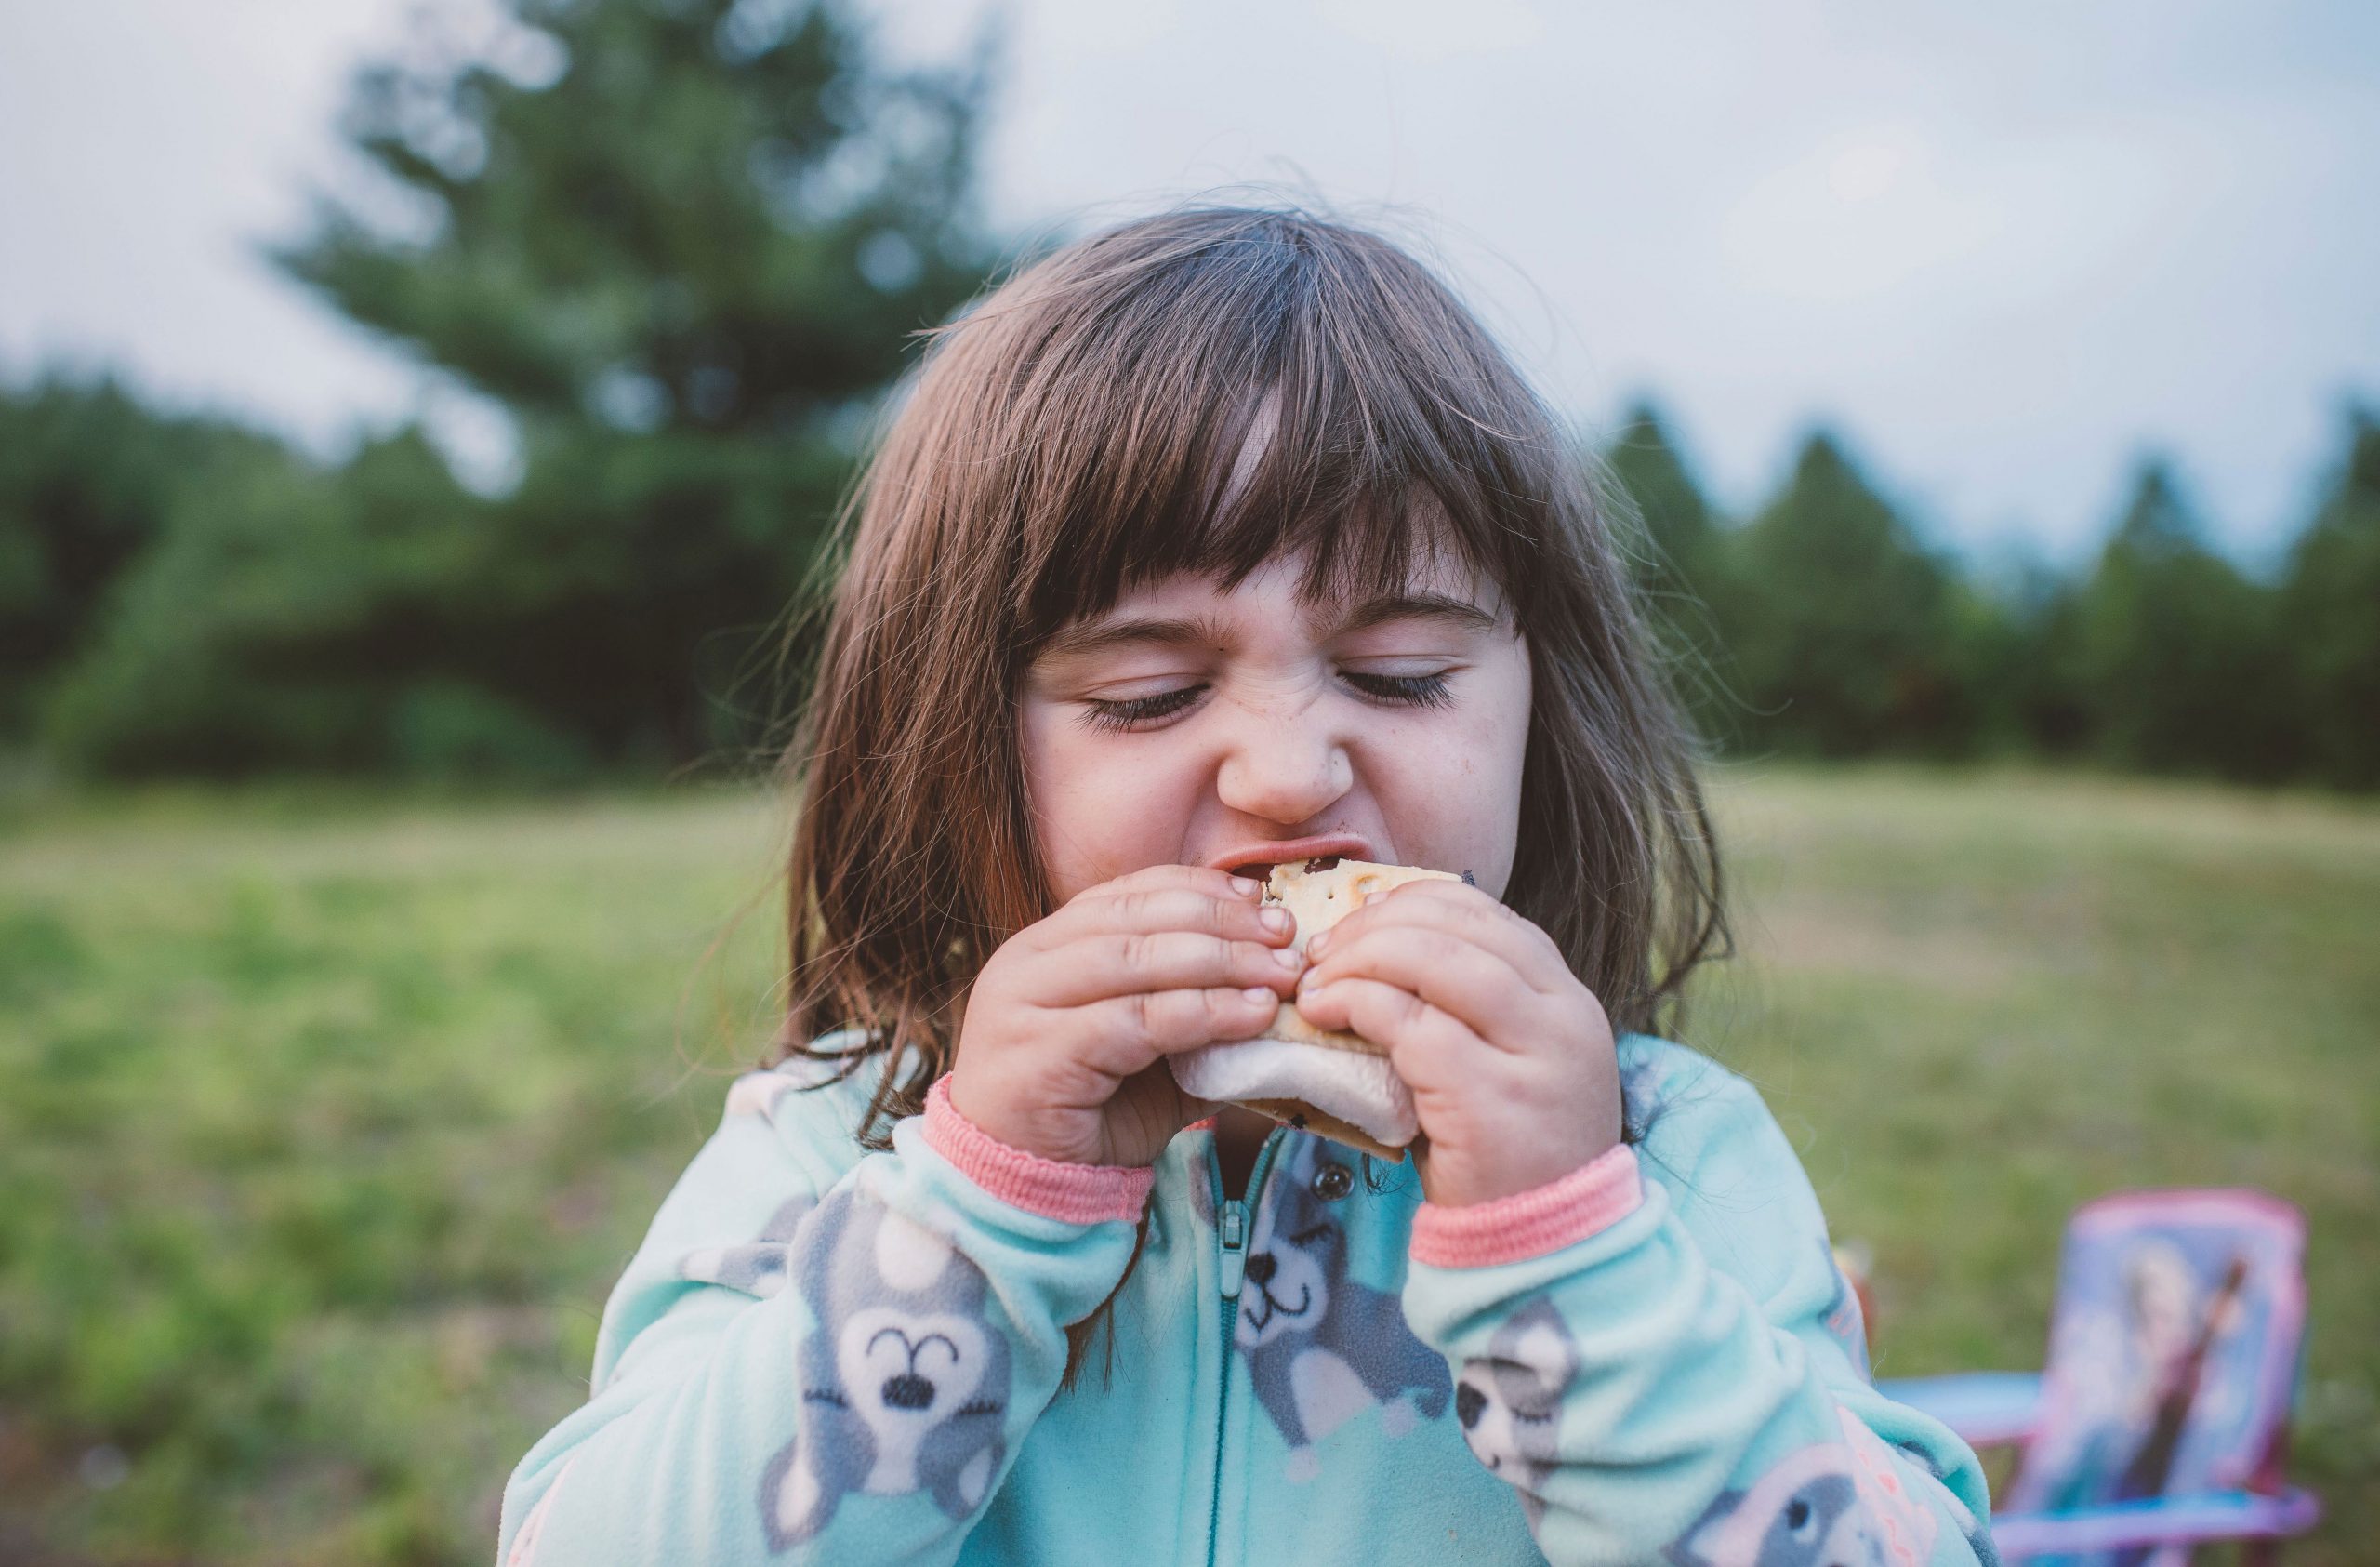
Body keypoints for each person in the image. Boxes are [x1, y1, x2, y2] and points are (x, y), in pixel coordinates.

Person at [495, 206, 1997, 1566]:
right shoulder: (844, 1142)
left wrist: (1571, 1248)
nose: (1285, 773)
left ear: (1545, 712)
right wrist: (985, 1205)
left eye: (1401, 676)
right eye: (1149, 693)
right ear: (957, 741)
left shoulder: (1659, 1155)